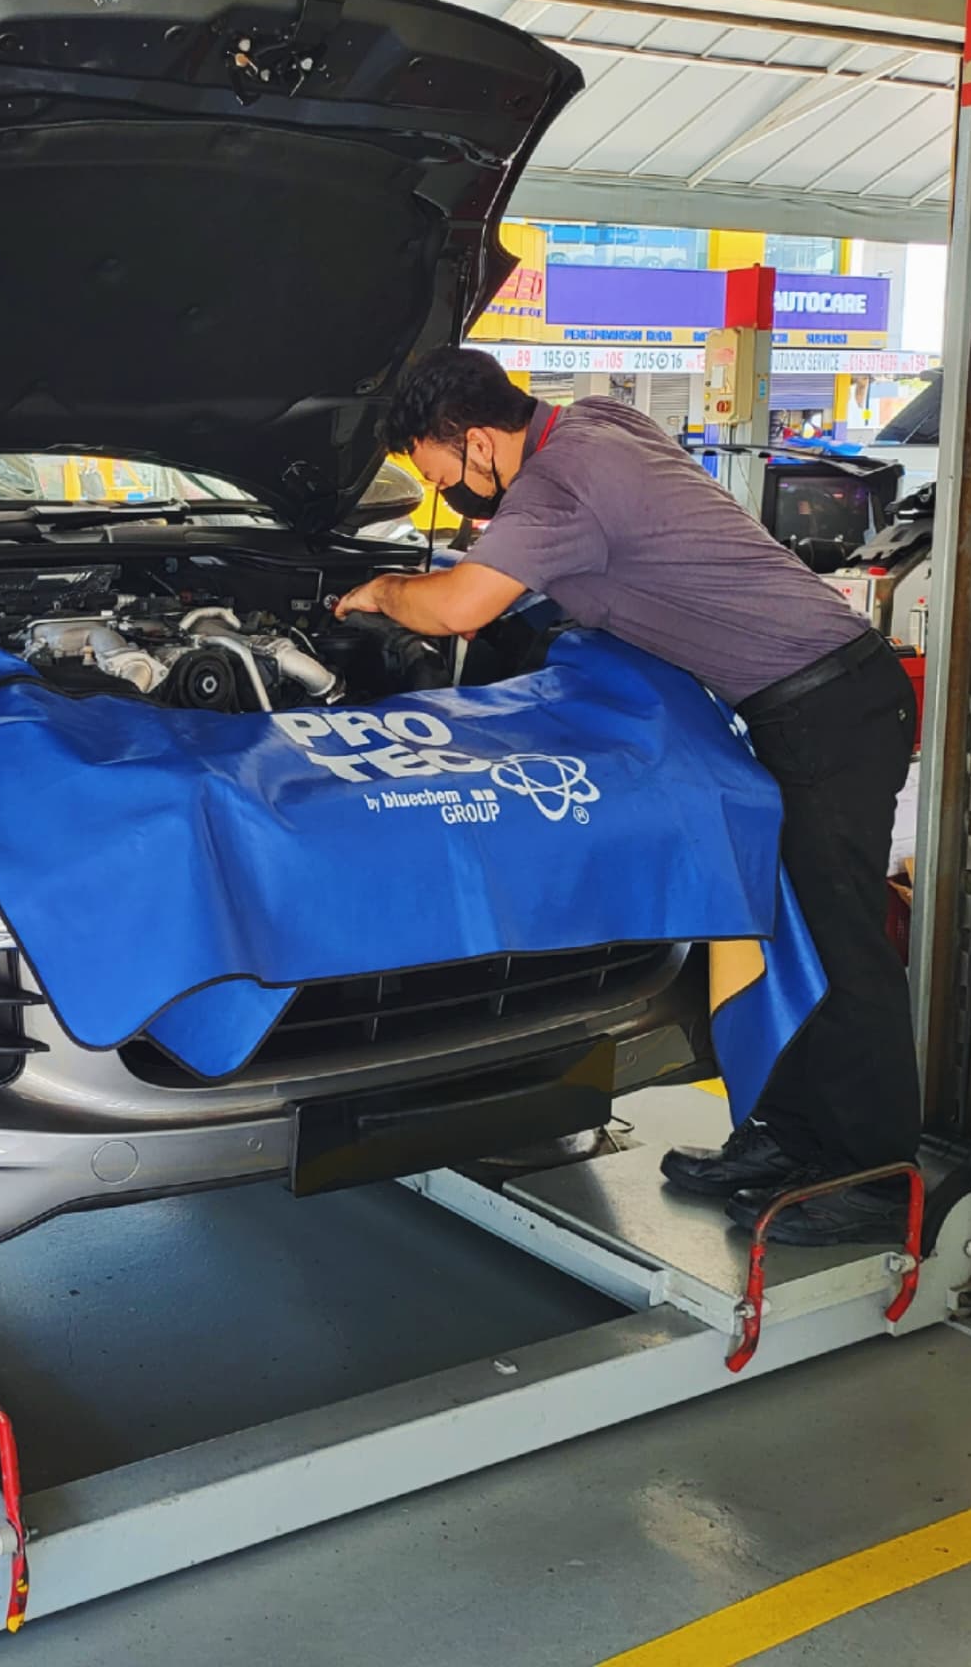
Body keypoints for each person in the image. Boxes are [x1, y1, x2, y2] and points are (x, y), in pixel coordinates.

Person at [335, 351, 920, 1245]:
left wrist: (381, 589)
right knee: (783, 933)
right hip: (795, 700)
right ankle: (796, 1139)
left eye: (440, 471)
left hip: (828, 707)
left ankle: (876, 1176)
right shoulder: (601, 424)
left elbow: (456, 611)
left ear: (478, 439)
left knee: (839, 943)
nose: (442, 492)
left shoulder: (558, 486)